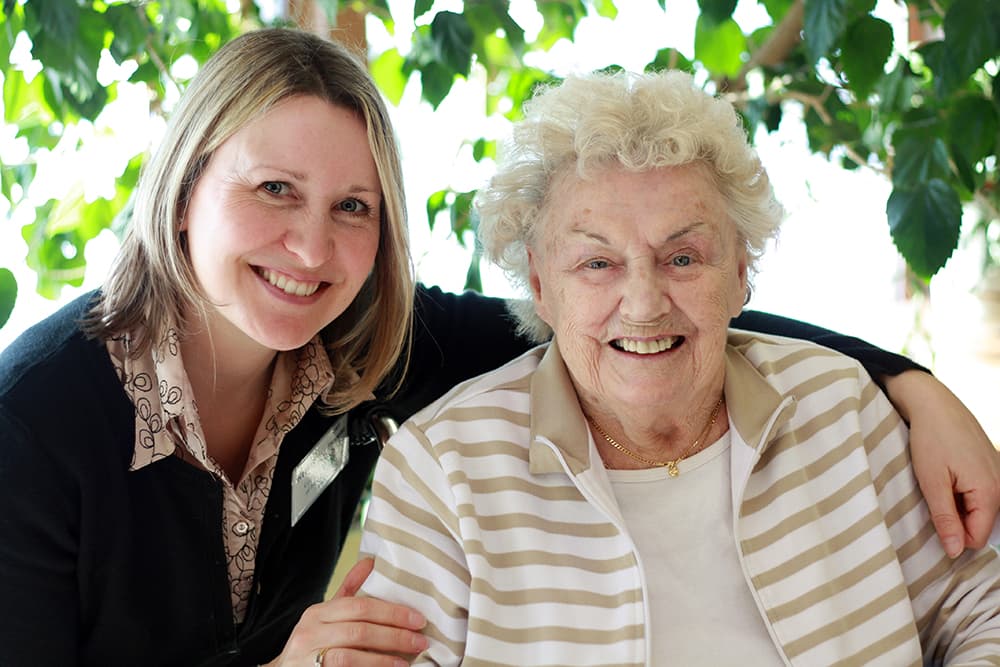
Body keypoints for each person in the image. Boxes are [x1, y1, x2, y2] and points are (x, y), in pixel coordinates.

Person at [0, 26, 994, 667]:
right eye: (272, 191)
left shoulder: (370, 345)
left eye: (354, 206)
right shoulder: (33, 421)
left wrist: (905, 380)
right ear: (181, 194)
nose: (312, 247)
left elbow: (648, 321)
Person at [357, 69, 1000, 664]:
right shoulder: (442, 471)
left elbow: (980, 610)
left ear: (741, 272)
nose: (644, 304)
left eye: (684, 258)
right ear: (539, 283)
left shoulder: (841, 408)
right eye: (597, 263)